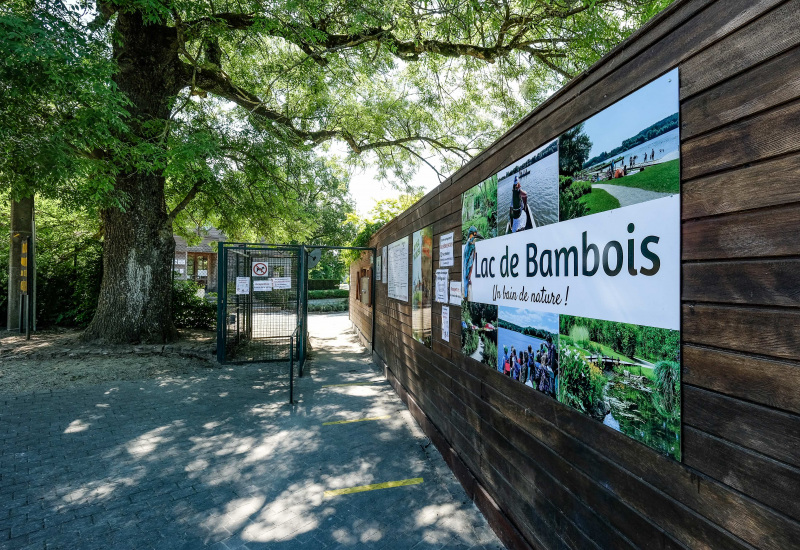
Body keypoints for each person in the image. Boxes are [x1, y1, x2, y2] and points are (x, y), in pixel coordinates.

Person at [462, 226, 483, 300]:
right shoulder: (470, 246)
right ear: (470, 235)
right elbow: (469, 264)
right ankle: (465, 293)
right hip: (467, 271)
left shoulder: (470, 245)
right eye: (474, 234)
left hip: (468, 271)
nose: (475, 236)